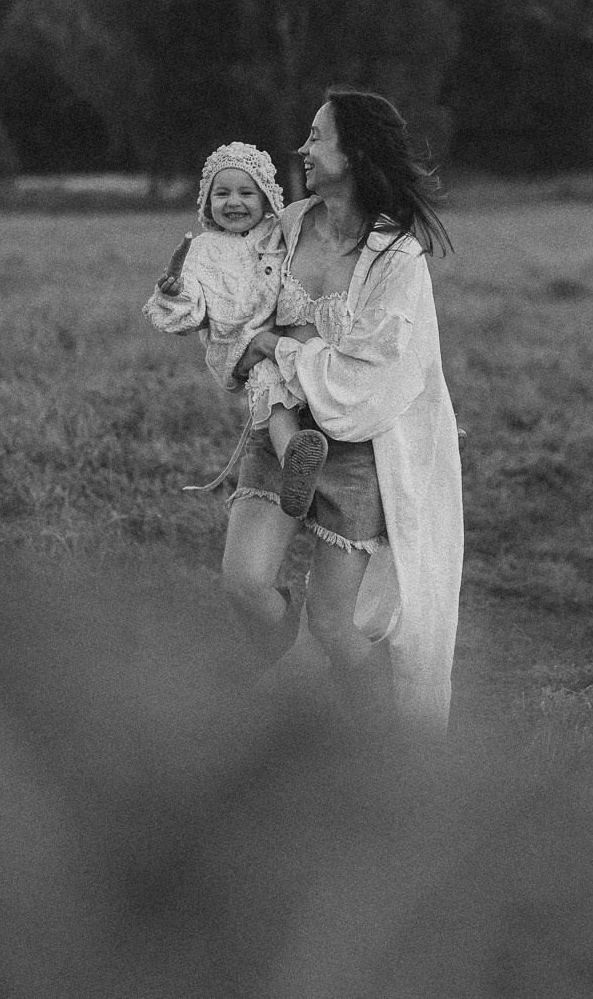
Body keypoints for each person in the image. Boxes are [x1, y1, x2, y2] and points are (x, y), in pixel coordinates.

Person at [225, 90, 464, 729]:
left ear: (354, 153)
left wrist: (279, 346)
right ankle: (285, 680)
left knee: (332, 624)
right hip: (279, 430)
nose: (302, 149)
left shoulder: (397, 259)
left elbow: (378, 379)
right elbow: (237, 310)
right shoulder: (285, 228)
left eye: (316, 136)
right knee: (245, 584)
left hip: (360, 452)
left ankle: (375, 742)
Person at [143, 142, 328, 518]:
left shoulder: (277, 233)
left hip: (284, 331)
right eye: (221, 193)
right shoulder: (204, 249)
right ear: (206, 201)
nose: (234, 202)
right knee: (272, 390)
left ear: (266, 198)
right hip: (239, 345)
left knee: (310, 371)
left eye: (246, 193)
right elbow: (192, 308)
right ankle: (293, 462)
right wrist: (176, 293)